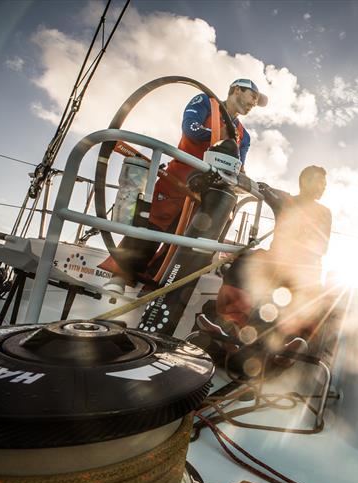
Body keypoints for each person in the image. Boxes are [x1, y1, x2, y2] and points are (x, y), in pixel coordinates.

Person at [101, 78, 268, 293]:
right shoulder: (205, 102)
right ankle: (119, 278)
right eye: (252, 96)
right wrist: (221, 142)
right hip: (179, 178)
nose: (254, 103)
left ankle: (152, 287)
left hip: (208, 192)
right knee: (152, 224)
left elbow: (239, 167)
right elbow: (191, 129)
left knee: (183, 240)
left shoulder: (244, 136)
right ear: (237, 89)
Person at [216, 165, 332, 334]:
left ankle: (254, 332)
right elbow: (265, 188)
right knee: (244, 262)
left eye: (325, 184)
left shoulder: (324, 213)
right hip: (278, 264)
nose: (323, 187)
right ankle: (229, 323)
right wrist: (246, 182)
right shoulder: (285, 199)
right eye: (321, 182)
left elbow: (322, 247)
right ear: (305, 181)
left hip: (303, 271)